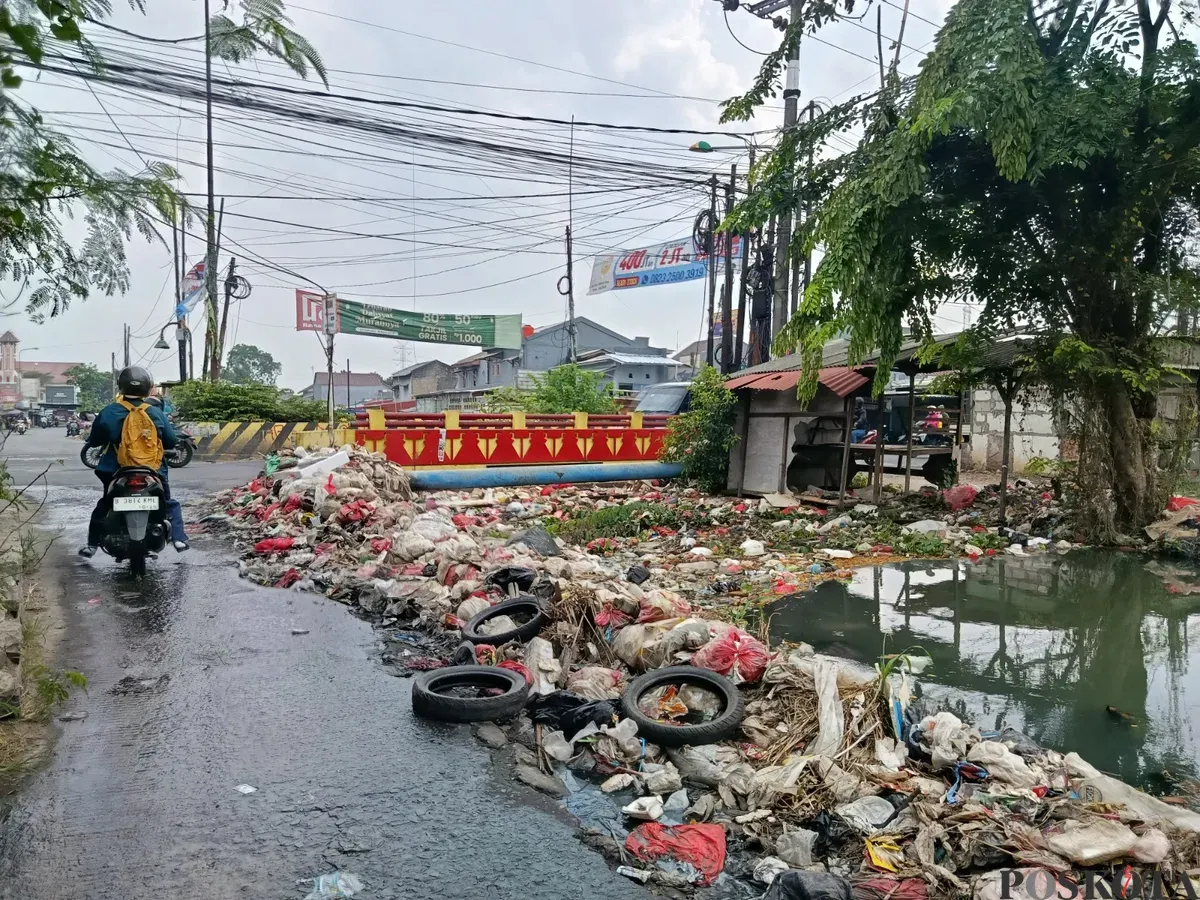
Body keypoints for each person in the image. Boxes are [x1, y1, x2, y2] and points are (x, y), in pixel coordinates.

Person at [79, 366, 189, 557]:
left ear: (121, 386)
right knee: (168, 502)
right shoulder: (155, 412)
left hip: (114, 468)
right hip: (152, 469)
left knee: (105, 503)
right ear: (147, 388)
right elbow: (171, 441)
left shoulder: (109, 412)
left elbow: (94, 441)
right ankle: (178, 538)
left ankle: (92, 545)